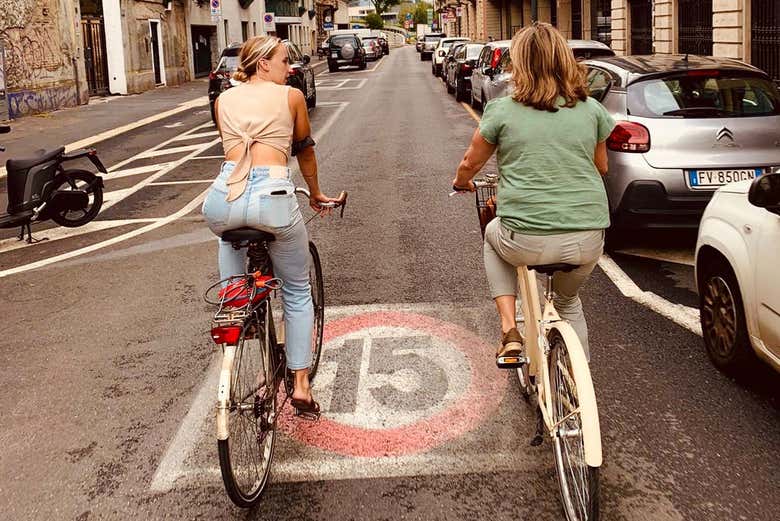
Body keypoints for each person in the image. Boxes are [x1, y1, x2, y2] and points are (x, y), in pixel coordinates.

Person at [452, 23, 615, 363]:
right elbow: (601, 167)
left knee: (493, 238)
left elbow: (470, 163)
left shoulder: (502, 109)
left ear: (520, 63)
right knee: (569, 303)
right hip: (587, 236)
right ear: (564, 60)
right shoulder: (592, 110)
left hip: (524, 236)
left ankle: (510, 329)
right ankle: (575, 392)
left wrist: (461, 182)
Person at [202, 35, 340, 417]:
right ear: (262, 63)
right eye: (282, 60)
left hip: (222, 198)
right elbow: (304, 148)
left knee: (228, 237)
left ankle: (235, 304)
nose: (288, 67)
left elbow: (231, 150)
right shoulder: (291, 97)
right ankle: (300, 385)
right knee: (296, 290)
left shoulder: (222, 100)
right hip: (273, 199)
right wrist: (314, 193)